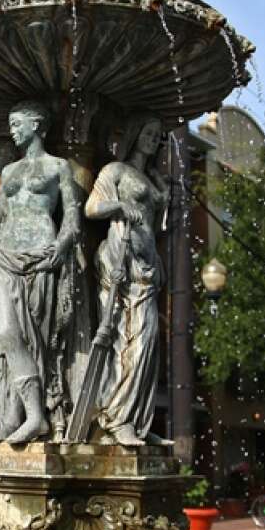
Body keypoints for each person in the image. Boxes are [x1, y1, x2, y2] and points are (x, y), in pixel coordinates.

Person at [0, 100, 86, 444]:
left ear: (38, 125)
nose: (13, 129)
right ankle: (23, 415)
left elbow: (73, 216)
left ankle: (26, 416)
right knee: (6, 334)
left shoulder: (59, 167)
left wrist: (61, 247)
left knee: (35, 339)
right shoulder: (11, 172)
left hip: (40, 255)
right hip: (5, 255)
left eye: (18, 123)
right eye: (11, 123)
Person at [84, 115, 171, 446]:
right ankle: (117, 420)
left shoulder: (150, 179)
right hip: (120, 264)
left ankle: (137, 420)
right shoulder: (115, 171)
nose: (152, 139)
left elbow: (156, 222)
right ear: (134, 134)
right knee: (125, 341)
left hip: (147, 267)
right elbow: (92, 208)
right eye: (148, 132)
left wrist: (161, 194)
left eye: (157, 135)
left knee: (146, 343)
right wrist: (120, 205)